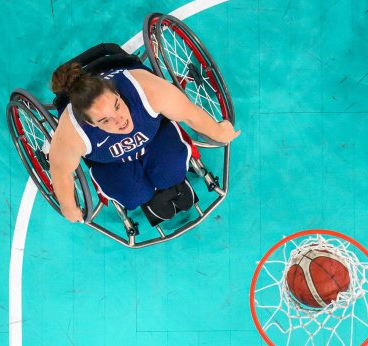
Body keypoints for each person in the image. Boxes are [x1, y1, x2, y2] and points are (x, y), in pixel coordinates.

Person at [48, 43, 239, 225]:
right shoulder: (72, 132)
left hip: (154, 138)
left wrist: (219, 132)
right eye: (105, 120)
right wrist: (68, 207)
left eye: (117, 106)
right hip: (112, 163)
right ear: (89, 122)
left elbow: (191, 115)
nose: (120, 120)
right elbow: (60, 170)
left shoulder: (148, 90)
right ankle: (145, 191)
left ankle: (161, 181)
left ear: (117, 93)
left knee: (173, 174)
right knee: (135, 196)